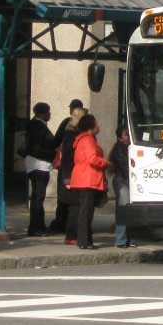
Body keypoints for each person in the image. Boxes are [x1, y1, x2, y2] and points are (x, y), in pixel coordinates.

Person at [69, 113, 108, 249]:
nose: (99, 125)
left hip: (82, 178)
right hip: (88, 178)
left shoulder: (83, 139)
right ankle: (84, 241)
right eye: (96, 123)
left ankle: (85, 240)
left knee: (85, 211)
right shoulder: (88, 140)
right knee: (86, 212)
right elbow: (92, 159)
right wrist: (105, 163)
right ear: (91, 126)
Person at [48, 99, 84, 235]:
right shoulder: (82, 128)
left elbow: (56, 140)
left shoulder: (66, 125)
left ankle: (62, 223)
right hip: (76, 169)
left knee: (63, 199)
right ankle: (71, 227)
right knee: (76, 201)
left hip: (67, 169)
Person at [23, 102, 56, 237]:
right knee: (38, 197)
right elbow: (37, 148)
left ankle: (38, 226)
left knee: (37, 197)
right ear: (42, 114)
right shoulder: (38, 127)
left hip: (35, 164)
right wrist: (52, 154)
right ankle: (36, 227)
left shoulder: (35, 125)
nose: (50, 114)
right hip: (39, 165)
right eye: (48, 112)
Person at [57, 107, 86, 244]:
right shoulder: (71, 135)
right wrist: (67, 178)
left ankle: (73, 234)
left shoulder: (73, 133)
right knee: (75, 205)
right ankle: (71, 235)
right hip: (71, 175)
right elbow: (67, 158)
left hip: (73, 174)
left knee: (75, 206)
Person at [108, 126, 135, 248]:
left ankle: (126, 239)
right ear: (120, 137)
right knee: (123, 210)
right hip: (122, 181)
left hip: (124, 180)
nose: (128, 136)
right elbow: (125, 165)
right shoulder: (120, 149)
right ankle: (121, 239)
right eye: (126, 134)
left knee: (127, 210)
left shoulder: (126, 148)